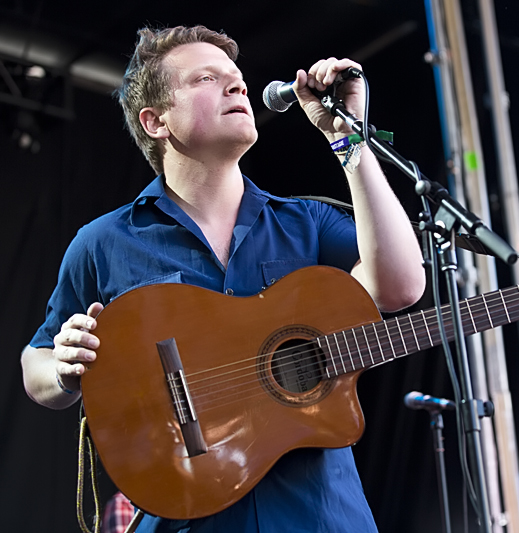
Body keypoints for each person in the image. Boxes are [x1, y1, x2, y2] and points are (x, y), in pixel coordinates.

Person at [20, 25, 425, 531]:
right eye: (206, 79)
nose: (238, 86)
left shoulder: (307, 222)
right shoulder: (103, 241)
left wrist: (347, 136)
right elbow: (35, 364)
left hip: (319, 516)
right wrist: (61, 368)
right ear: (155, 121)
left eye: (237, 78)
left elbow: (400, 288)